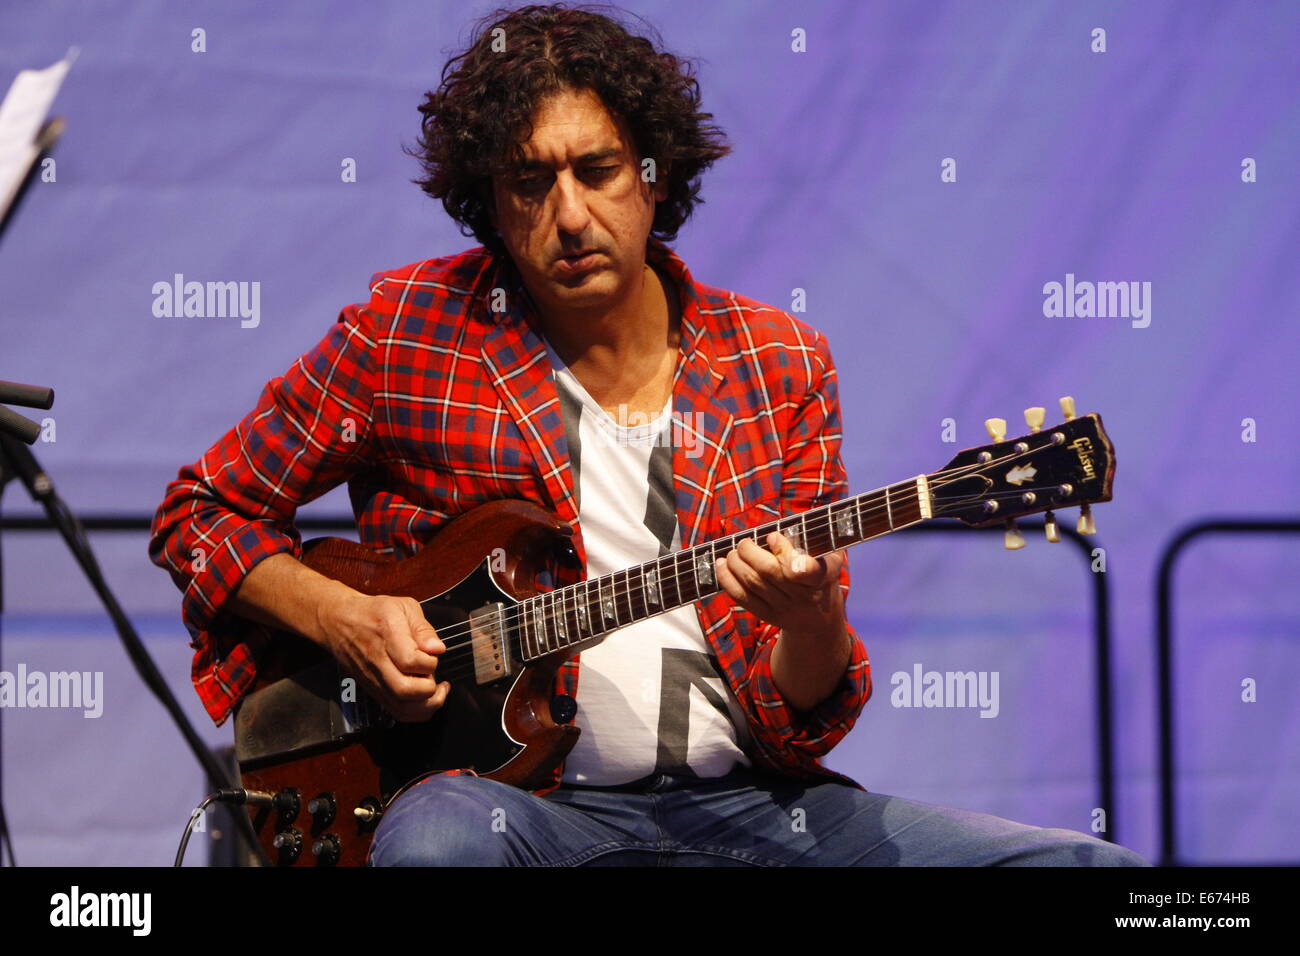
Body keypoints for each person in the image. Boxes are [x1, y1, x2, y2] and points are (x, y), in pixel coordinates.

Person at [149, 3, 1147, 866]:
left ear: (653, 179)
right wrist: (341, 615)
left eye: (597, 169)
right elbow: (200, 511)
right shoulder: (408, 329)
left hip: (750, 802)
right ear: (488, 204)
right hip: (511, 807)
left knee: (1078, 862)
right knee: (441, 839)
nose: (570, 214)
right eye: (530, 182)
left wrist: (808, 619)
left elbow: (800, 707)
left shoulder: (779, 362)